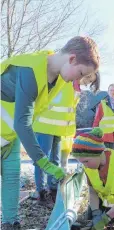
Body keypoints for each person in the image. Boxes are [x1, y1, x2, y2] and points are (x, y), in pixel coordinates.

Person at [1, 36, 100, 230]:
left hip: (7, 137)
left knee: (11, 180)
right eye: (81, 74)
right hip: (10, 131)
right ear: (72, 59)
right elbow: (23, 122)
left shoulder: (55, 77)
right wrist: (45, 164)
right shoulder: (30, 70)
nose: (79, 81)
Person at [32, 71, 101, 207]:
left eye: (90, 81)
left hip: (57, 128)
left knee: (55, 160)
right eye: (87, 77)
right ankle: (42, 193)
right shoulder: (64, 79)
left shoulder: (75, 88)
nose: (86, 82)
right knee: (42, 160)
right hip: (44, 125)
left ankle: (53, 189)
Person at [71, 127, 114, 230]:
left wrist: (105, 219)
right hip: (104, 200)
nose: (85, 166)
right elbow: (92, 192)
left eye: (86, 161)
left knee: (105, 225)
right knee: (90, 220)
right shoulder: (88, 165)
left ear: (99, 153)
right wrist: (96, 213)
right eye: (81, 162)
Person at [60, 72, 100, 174]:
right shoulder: (66, 82)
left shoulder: (77, 89)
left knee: (63, 163)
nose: (87, 82)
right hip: (56, 128)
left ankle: (59, 186)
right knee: (54, 161)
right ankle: (48, 187)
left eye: (90, 82)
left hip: (67, 131)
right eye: (89, 78)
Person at [93, 83, 114, 151]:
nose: (113, 92)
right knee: (105, 159)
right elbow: (97, 120)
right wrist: (95, 135)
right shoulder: (102, 104)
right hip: (105, 138)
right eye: (111, 90)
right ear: (108, 92)